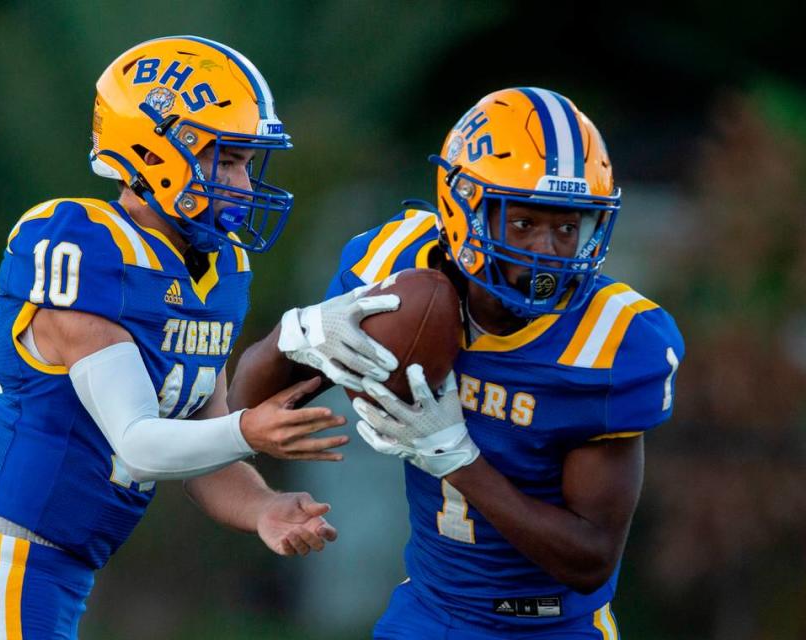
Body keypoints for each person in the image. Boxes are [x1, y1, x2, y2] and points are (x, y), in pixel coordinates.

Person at [0, 36, 349, 640]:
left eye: (245, 163)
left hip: (56, 582)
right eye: (225, 160)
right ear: (154, 150)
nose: (241, 182)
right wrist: (246, 429)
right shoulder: (87, 247)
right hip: (5, 575)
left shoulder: (218, 270)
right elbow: (138, 444)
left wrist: (262, 506)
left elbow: (193, 443)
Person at [228, 87, 685, 639]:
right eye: (523, 224)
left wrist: (455, 459)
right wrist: (298, 332)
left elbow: (589, 561)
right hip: (429, 613)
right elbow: (243, 412)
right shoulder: (397, 273)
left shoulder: (609, 340)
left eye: (568, 228)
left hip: (556, 627)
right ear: (462, 207)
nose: (547, 251)